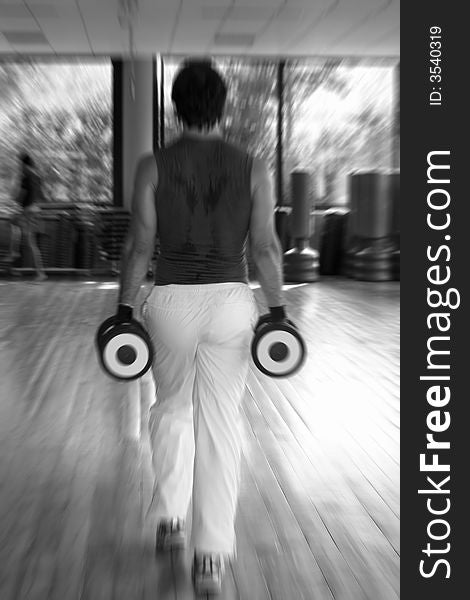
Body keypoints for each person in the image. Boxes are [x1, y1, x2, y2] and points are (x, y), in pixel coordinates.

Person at [117, 58, 287, 595]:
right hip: (230, 303)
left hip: (170, 301)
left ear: (175, 107)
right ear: (223, 106)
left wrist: (123, 311)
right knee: (219, 425)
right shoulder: (253, 166)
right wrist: (279, 312)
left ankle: (170, 516)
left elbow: (139, 246)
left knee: (170, 407)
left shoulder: (152, 166)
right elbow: (263, 248)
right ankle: (211, 555)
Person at [10, 153, 47, 281]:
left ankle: (40, 272)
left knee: (31, 243)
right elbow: (42, 196)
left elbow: (21, 196)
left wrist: (13, 200)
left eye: (20, 164)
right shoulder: (37, 175)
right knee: (14, 223)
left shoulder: (26, 176)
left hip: (28, 211)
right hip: (35, 210)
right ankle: (14, 251)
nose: (19, 166)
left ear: (23, 164)